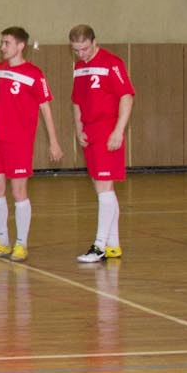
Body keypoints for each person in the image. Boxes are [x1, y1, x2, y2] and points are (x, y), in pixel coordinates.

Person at [0, 27, 64, 262]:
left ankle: (21, 243)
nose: (2, 47)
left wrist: (54, 142)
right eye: (1, 42)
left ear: (20, 46)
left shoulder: (34, 74)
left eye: (6, 43)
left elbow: (45, 108)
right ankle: (2, 241)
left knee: (19, 192)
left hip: (19, 141)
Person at [69, 25, 134, 263]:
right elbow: (77, 101)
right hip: (90, 132)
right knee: (101, 189)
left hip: (108, 129)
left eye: (85, 49)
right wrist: (79, 129)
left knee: (105, 188)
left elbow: (126, 96)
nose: (81, 54)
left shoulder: (112, 63)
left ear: (94, 42)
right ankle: (113, 245)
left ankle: (99, 246)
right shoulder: (79, 67)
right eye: (76, 50)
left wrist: (118, 130)